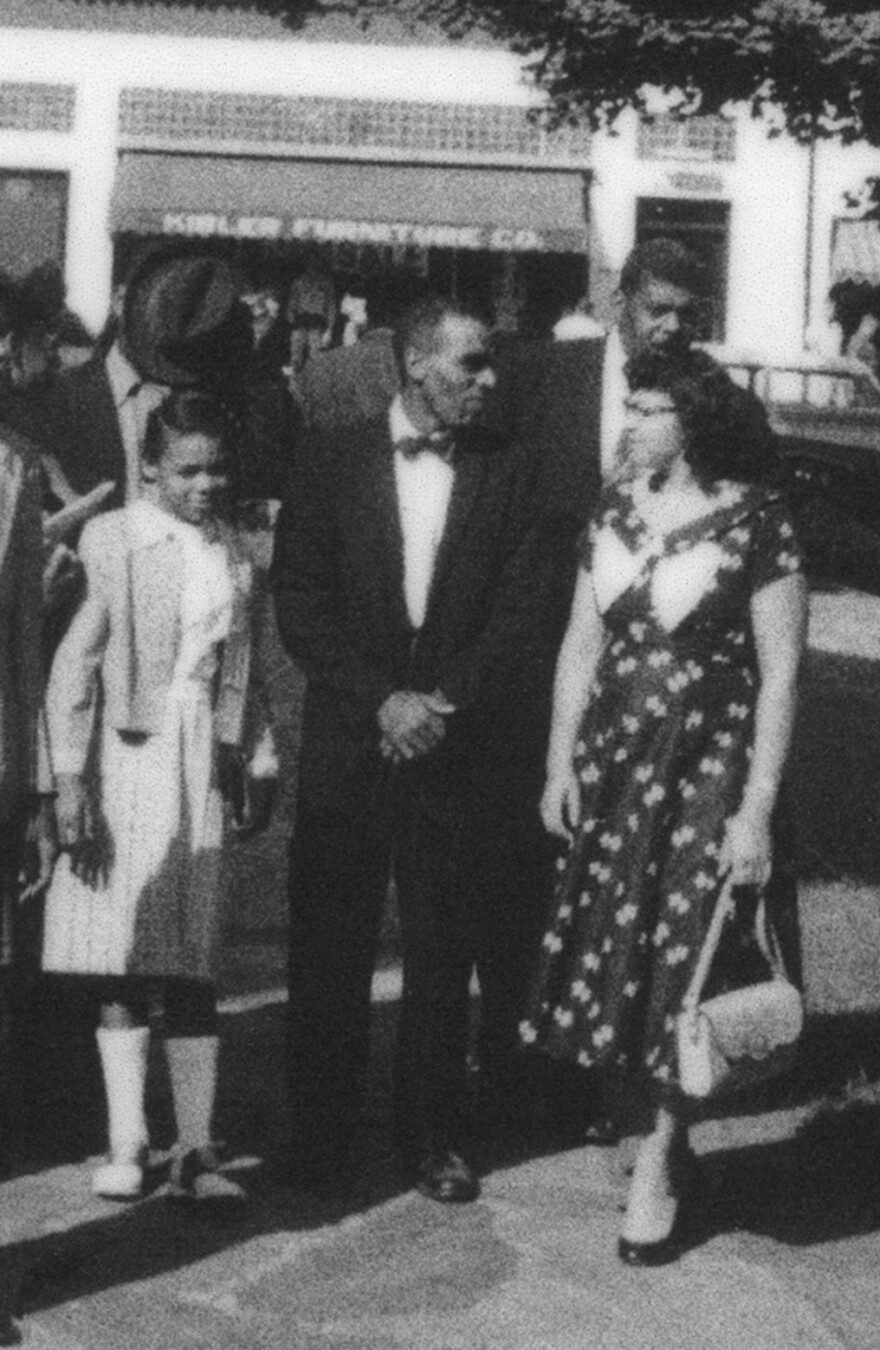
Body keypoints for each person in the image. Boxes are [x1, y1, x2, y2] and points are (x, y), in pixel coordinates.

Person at [519, 347, 807, 1265]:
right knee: (622, 949)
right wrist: (558, 764)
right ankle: (647, 1129)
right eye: (629, 404)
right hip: (613, 765)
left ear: (693, 422)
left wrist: (755, 807)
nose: (630, 422)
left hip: (706, 770)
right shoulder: (613, 508)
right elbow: (579, 644)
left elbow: (781, 681)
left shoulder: (760, 521)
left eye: (648, 409)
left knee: (688, 961)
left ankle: (661, 1161)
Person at [271, 293, 549, 1203]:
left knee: (443, 950)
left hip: (457, 749)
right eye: (472, 364)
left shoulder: (510, 470)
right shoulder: (330, 460)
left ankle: (433, 1136)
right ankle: (318, 1139)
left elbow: (523, 608)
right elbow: (301, 605)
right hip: (353, 748)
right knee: (328, 949)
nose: (489, 380)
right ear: (419, 364)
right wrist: (380, 701)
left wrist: (445, 701)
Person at [42, 389, 278, 1204]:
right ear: (149, 468)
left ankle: (197, 1150)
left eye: (218, 468)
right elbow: (74, 668)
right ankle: (127, 1140)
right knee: (121, 955)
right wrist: (70, 780)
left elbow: (242, 670)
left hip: (202, 760)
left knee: (192, 961)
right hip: (125, 759)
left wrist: (258, 754)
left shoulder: (235, 549)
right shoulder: (113, 540)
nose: (207, 485)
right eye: (189, 470)